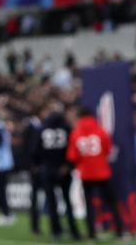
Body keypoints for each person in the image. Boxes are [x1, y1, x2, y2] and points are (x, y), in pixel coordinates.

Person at [67, 105, 124, 240]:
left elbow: (72, 156)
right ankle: (120, 230)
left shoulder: (76, 132)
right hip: (102, 172)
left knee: (89, 204)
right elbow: (108, 149)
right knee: (112, 202)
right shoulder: (100, 130)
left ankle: (92, 233)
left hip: (86, 173)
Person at [36, 103, 81, 240]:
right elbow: (73, 149)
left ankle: (56, 232)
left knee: (52, 203)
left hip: (48, 170)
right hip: (64, 170)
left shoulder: (42, 130)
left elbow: (36, 151)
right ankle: (74, 232)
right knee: (67, 201)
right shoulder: (67, 129)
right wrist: (68, 165)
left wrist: (40, 165)